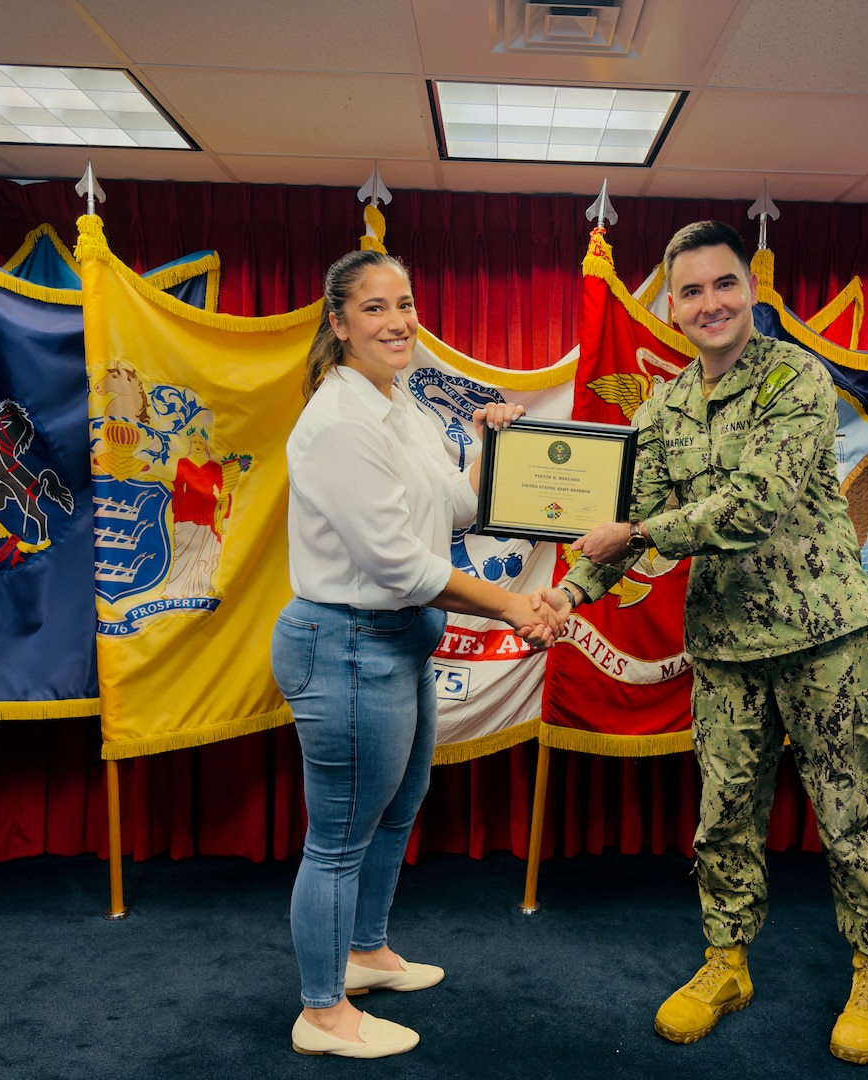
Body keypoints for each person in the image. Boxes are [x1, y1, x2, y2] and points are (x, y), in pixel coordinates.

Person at [538, 221, 868, 1065]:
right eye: (693, 291)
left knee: (850, 813)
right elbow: (626, 531)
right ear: (672, 305)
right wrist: (566, 595)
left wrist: (634, 529)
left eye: (725, 285)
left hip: (824, 640)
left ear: (751, 290)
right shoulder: (666, 406)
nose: (711, 303)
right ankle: (726, 961)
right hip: (727, 644)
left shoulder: (796, 378)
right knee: (724, 816)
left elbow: (753, 506)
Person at [270, 248, 564, 1060]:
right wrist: (514, 605)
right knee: (338, 837)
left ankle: (364, 955)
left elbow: (458, 508)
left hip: (397, 642)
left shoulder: (394, 401)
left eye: (404, 303)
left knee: (397, 809)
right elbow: (399, 565)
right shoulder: (338, 421)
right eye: (374, 308)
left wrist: (482, 442)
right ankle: (321, 1014)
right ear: (338, 323)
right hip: (347, 644)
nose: (397, 321)